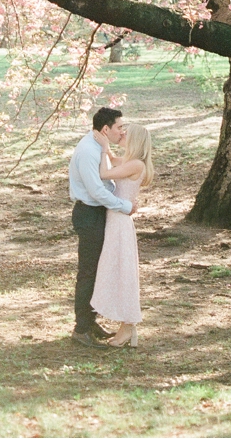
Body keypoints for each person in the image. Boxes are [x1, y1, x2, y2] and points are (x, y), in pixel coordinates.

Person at [68, 107, 136, 349]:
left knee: (99, 270)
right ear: (106, 129)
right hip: (89, 214)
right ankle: (81, 329)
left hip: (99, 213)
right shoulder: (88, 151)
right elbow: (96, 191)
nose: (122, 131)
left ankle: (90, 321)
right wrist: (125, 205)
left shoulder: (98, 147)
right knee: (88, 272)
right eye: (119, 127)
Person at [92, 122, 153, 347]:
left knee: (122, 272)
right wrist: (106, 147)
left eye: (127, 134)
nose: (123, 134)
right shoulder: (130, 162)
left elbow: (104, 173)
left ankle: (128, 326)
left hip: (119, 221)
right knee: (117, 269)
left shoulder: (136, 164)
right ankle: (127, 327)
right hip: (116, 218)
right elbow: (111, 160)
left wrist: (104, 146)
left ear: (136, 140)